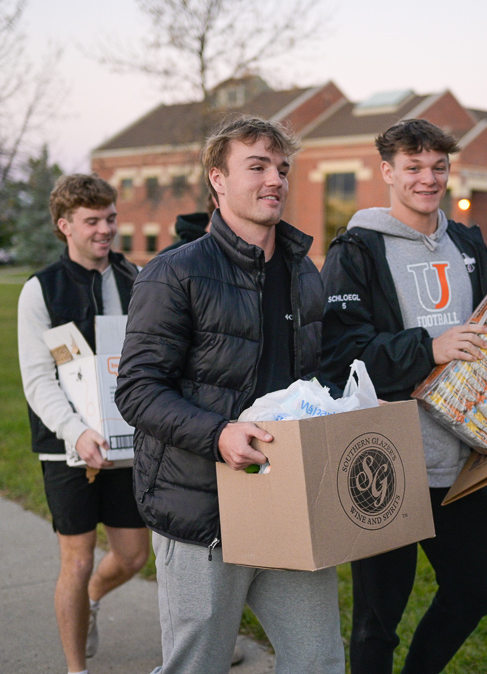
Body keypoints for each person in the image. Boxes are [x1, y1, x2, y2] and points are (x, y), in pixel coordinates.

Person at [115, 115, 345, 674]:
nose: (275, 180)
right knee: (198, 666)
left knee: (319, 661)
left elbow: (314, 380)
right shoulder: (174, 274)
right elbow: (138, 390)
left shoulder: (305, 275)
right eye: (258, 166)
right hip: (201, 510)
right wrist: (219, 435)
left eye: (283, 168)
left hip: (289, 504)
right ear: (217, 179)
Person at [321, 118, 487, 673]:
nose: (429, 178)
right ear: (388, 172)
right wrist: (429, 347)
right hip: (388, 460)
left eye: (439, 167)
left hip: (461, 458)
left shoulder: (467, 242)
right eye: (414, 167)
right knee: (378, 621)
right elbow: (340, 358)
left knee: (474, 590)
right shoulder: (356, 250)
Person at [17, 174, 150, 674]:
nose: (105, 230)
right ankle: (77, 669)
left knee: (134, 556)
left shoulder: (135, 278)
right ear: (64, 225)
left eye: (111, 218)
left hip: (126, 439)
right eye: (92, 221)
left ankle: (94, 596)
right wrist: (76, 431)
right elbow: (37, 380)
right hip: (65, 446)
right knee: (76, 560)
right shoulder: (41, 290)